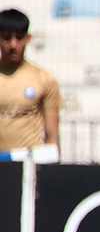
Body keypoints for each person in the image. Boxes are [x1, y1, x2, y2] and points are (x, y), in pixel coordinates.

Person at [0, 9, 61, 154]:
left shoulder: (44, 78)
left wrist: (50, 166)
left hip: (26, 163)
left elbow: (52, 134)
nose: (13, 45)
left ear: (28, 38)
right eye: (7, 38)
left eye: (19, 38)